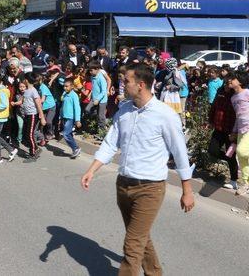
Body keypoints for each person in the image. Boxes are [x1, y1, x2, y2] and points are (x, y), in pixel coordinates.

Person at [81, 63, 194, 275]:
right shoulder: (124, 110)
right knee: (140, 237)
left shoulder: (165, 115)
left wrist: (187, 191)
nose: (122, 85)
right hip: (123, 185)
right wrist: (91, 170)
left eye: (126, 81)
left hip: (149, 188)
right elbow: (110, 143)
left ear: (141, 85)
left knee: (132, 245)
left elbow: (180, 153)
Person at [208, 83, 238, 190]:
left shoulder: (236, 95)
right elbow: (214, 106)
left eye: (229, 83)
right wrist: (210, 119)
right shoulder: (220, 92)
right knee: (212, 150)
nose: (226, 85)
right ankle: (229, 158)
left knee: (231, 156)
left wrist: (236, 131)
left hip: (231, 132)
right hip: (219, 128)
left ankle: (234, 180)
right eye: (225, 83)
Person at [229, 71, 249, 196]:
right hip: (241, 129)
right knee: (241, 157)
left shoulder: (247, 92)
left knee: (242, 151)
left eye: (233, 79)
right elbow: (237, 116)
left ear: (240, 81)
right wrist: (234, 131)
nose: (230, 81)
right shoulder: (233, 98)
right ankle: (246, 183)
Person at [20, 73, 47, 160]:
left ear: (27, 80)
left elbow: (38, 104)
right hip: (27, 115)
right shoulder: (27, 91)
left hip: (32, 115)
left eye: (24, 79)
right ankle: (35, 148)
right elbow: (23, 101)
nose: (23, 80)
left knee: (30, 135)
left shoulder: (33, 91)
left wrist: (42, 117)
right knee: (27, 134)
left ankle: (33, 152)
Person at [59, 79, 82, 159]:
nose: (65, 88)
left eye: (66, 86)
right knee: (69, 134)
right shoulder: (65, 94)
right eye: (64, 86)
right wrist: (60, 116)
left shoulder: (74, 95)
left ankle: (76, 148)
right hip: (65, 117)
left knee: (65, 134)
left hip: (71, 118)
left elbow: (77, 108)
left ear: (72, 87)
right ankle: (75, 149)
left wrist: (77, 120)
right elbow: (63, 106)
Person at [86, 61, 108, 130]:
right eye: (89, 70)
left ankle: (102, 130)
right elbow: (94, 87)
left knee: (101, 116)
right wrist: (90, 94)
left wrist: (98, 99)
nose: (90, 72)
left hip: (101, 100)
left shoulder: (101, 78)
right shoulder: (93, 77)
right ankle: (96, 124)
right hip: (94, 98)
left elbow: (103, 91)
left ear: (97, 69)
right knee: (87, 110)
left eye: (91, 70)